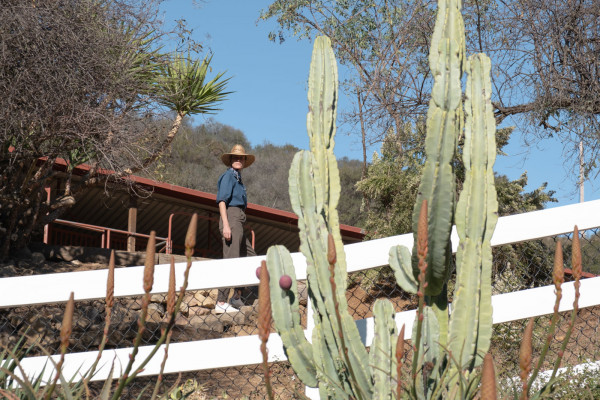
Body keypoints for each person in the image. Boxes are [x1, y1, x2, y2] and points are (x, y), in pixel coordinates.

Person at [215, 144, 257, 313]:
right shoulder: (228, 177)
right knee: (231, 258)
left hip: (239, 219)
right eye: (235, 157)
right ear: (231, 160)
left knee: (250, 257)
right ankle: (221, 301)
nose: (238, 160)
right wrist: (226, 224)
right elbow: (222, 201)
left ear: (244, 161)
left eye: (241, 158)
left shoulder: (238, 179)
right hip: (231, 218)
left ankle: (237, 296)